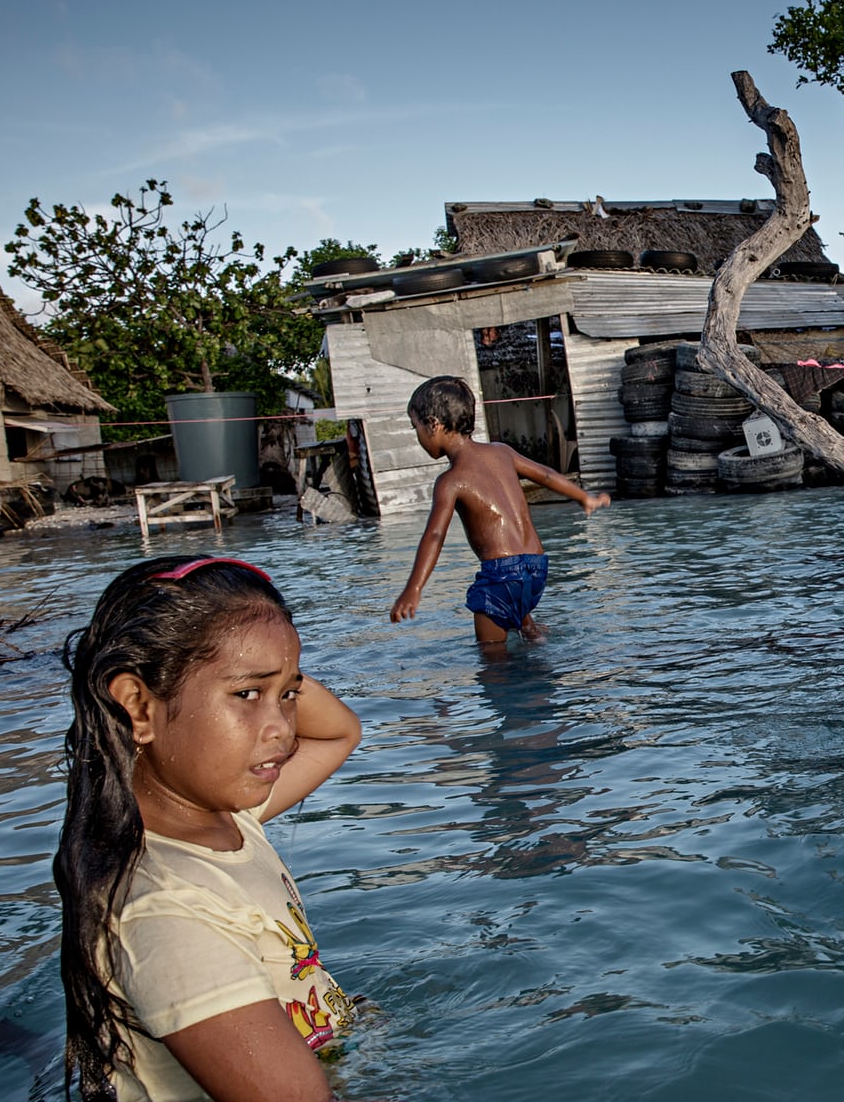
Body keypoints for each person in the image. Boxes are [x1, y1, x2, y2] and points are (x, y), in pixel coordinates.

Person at [54, 555, 364, 1101]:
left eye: (289, 696)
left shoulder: (230, 821)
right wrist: (270, 667)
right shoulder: (166, 910)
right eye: (246, 695)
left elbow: (338, 734)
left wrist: (267, 663)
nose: (283, 731)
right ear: (137, 707)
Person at [390, 375, 610, 647]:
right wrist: (583, 498)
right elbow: (547, 475)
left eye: (416, 428)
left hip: (501, 574)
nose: (418, 438)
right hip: (537, 567)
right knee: (516, 596)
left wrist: (414, 588)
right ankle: (531, 631)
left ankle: (506, 674)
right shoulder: (502, 451)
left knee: (492, 660)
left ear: (433, 424)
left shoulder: (450, 481)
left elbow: (435, 536)